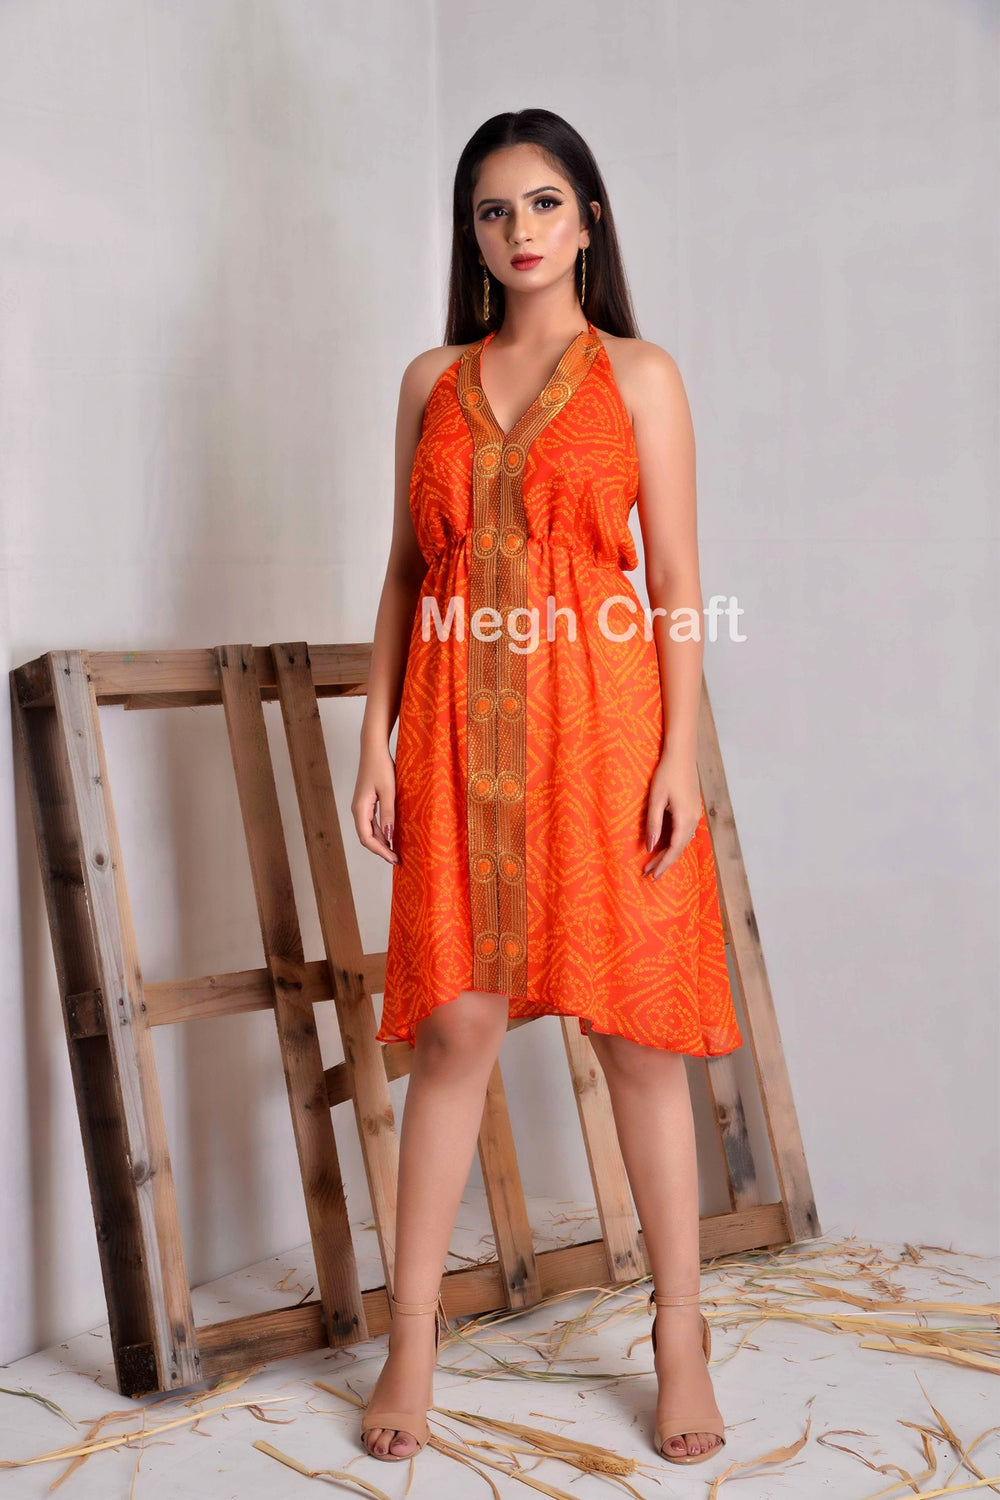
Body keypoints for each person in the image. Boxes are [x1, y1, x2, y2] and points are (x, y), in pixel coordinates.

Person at [351, 107, 743, 1467]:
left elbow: (677, 578)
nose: (518, 231)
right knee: (455, 1029)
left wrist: (678, 754)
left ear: (588, 221)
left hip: (604, 729)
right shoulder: (431, 381)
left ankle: (679, 1337)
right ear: (471, 236)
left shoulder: (640, 375)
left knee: (634, 1037)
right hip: (457, 733)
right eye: (492, 210)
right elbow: (405, 575)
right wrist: (374, 739)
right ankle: (411, 1339)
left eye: (543, 203)